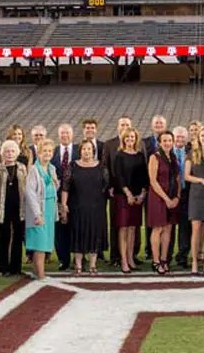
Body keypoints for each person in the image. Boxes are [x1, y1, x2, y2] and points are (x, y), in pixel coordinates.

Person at [62, 140, 109, 276]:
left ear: (93, 151)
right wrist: (64, 205)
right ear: (80, 151)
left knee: (94, 234)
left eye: (89, 149)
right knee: (78, 234)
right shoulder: (72, 166)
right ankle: (78, 265)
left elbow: (106, 185)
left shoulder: (101, 167)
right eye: (84, 149)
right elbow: (66, 187)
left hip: (96, 208)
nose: (86, 151)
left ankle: (93, 265)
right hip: (77, 207)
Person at [113, 127, 148, 274]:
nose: (129, 140)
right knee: (124, 228)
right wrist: (127, 193)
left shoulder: (140, 156)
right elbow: (118, 176)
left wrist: (142, 194)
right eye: (127, 138)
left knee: (133, 228)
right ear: (123, 139)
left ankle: (131, 257)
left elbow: (144, 176)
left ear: (136, 139)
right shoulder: (119, 155)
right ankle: (124, 260)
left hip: (137, 196)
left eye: (132, 137)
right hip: (123, 196)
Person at [147, 131, 180, 275]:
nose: (167, 143)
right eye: (164, 140)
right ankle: (155, 261)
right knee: (158, 228)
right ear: (159, 142)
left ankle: (164, 259)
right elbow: (153, 181)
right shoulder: (154, 157)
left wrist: (177, 197)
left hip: (172, 196)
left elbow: (178, 179)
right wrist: (166, 199)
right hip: (158, 197)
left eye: (169, 140)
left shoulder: (173, 157)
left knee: (168, 228)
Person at [25, 139, 59, 281]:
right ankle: (41, 274)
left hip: (50, 207)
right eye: (44, 151)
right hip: (39, 208)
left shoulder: (52, 169)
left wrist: (56, 183)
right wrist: (37, 213)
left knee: (46, 241)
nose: (47, 153)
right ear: (38, 153)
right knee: (39, 241)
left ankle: (35, 271)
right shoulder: (34, 170)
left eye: (50, 151)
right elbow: (30, 193)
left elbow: (53, 188)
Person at [103, 116, 134, 266]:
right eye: (122, 124)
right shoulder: (110, 144)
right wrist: (108, 185)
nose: (124, 127)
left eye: (127, 124)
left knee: (132, 224)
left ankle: (132, 255)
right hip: (116, 190)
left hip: (134, 191)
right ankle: (115, 255)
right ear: (118, 127)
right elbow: (105, 167)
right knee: (117, 223)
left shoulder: (137, 143)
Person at [0, 140, 27, 277]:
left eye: (13, 151)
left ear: (17, 153)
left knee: (18, 237)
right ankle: (4, 267)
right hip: (3, 207)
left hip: (19, 207)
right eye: (7, 151)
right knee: (4, 237)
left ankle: (16, 267)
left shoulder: (22, 168)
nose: (10, 154)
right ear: (2, 153)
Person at [186, 125, 204, 275]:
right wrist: (201, 180)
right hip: (196, 195)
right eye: (202, 135)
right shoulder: (192, 154)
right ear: (199, 137)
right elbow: (186, 176)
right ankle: (195, 262)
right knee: (196, 230)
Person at [143, 115, 168, 259]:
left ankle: (165, 253)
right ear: (152, 125)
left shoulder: (169, 142)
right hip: (150, 187)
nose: (159, 125)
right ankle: (149, 251)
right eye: (156, 123)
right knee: (151, 221)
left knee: (166, 224)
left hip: (167, 189)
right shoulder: (144, 142)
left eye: (161, 123)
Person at [55, 124, 78, 271]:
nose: (65, 136)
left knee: (76, 228)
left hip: (77, 196)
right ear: (58, 135)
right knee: (60, 229)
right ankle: (63, 259)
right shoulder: (53, 152)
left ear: (72, 134)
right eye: (62, 133)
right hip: (56, 197)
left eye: (67, 133)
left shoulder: (79, 151)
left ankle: (78, 257)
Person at [171, 126, 191, 267]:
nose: (180, 139)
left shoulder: (191, 152)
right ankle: (166, 255)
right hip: (170, 193)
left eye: (182, 137)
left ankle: (182, 255)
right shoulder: (166, 151)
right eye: (177, 137)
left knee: (185, 226)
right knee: (168, 225)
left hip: (187, 192)